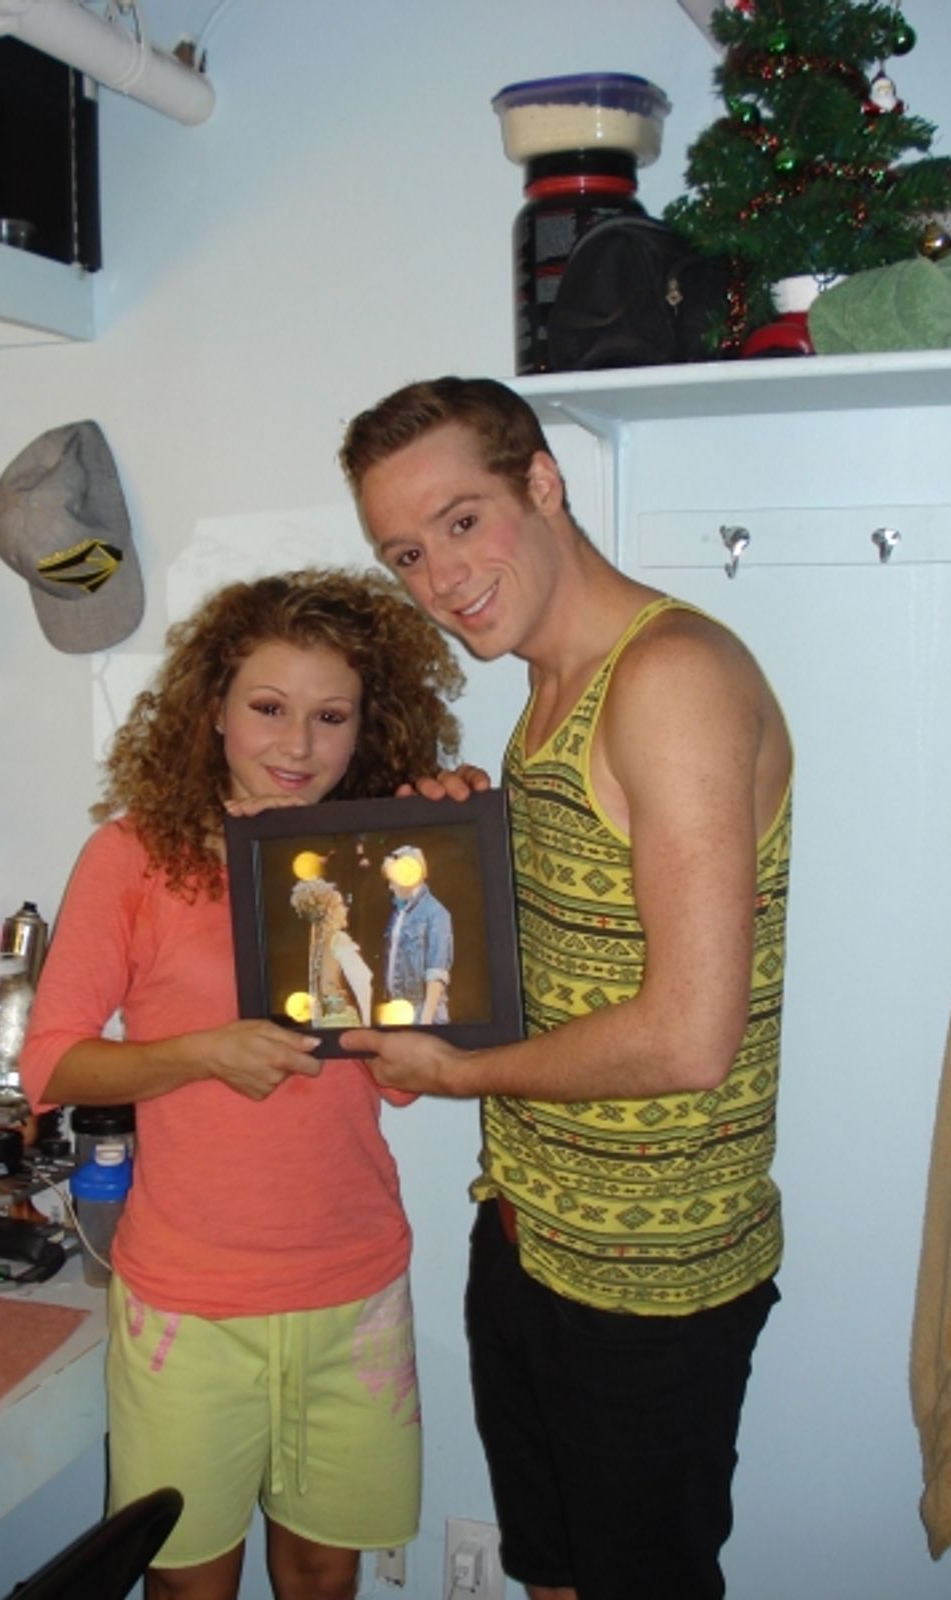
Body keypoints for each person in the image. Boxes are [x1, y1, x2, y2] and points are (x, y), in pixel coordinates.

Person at [338, 377, 794, 1600]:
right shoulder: (547, 697)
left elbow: (688, 1036)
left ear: (542, 482)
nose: (441, 578)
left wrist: (457, 1075)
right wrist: (467, 845)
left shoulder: (671, 677)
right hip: (530, 1228)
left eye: (462, 521)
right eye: (407, 553)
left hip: (647, 1277)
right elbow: (581, 939)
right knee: (551, 1574)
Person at [19, 566, 463, 1600]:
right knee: (185, 1581)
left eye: (330, 716)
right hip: (188, 1299)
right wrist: (203, 1052)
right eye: (268, 707)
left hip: (353, 1284)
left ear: (367, 726)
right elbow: (52, 1064)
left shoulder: (376, 857)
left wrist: (458, 844)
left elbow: (410, 1071)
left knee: (323, 1574)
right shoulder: (134, 856)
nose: (297, 745)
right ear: (213, 708)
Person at [380, 845, 452, 1025]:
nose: (390, 886)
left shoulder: (436, 913)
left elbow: (436, 972)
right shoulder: (398, 912)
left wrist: (425, 1021)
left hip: (422, 1014)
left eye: (393, 881)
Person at [290, 877, 373, 1026]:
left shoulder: (316, 944)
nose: (345, 909)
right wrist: (367, 1022)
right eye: (340, 904)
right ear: (330, 911)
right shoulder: (338, 939)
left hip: (324, 1021)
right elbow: (362, 981)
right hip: (343, 1020)